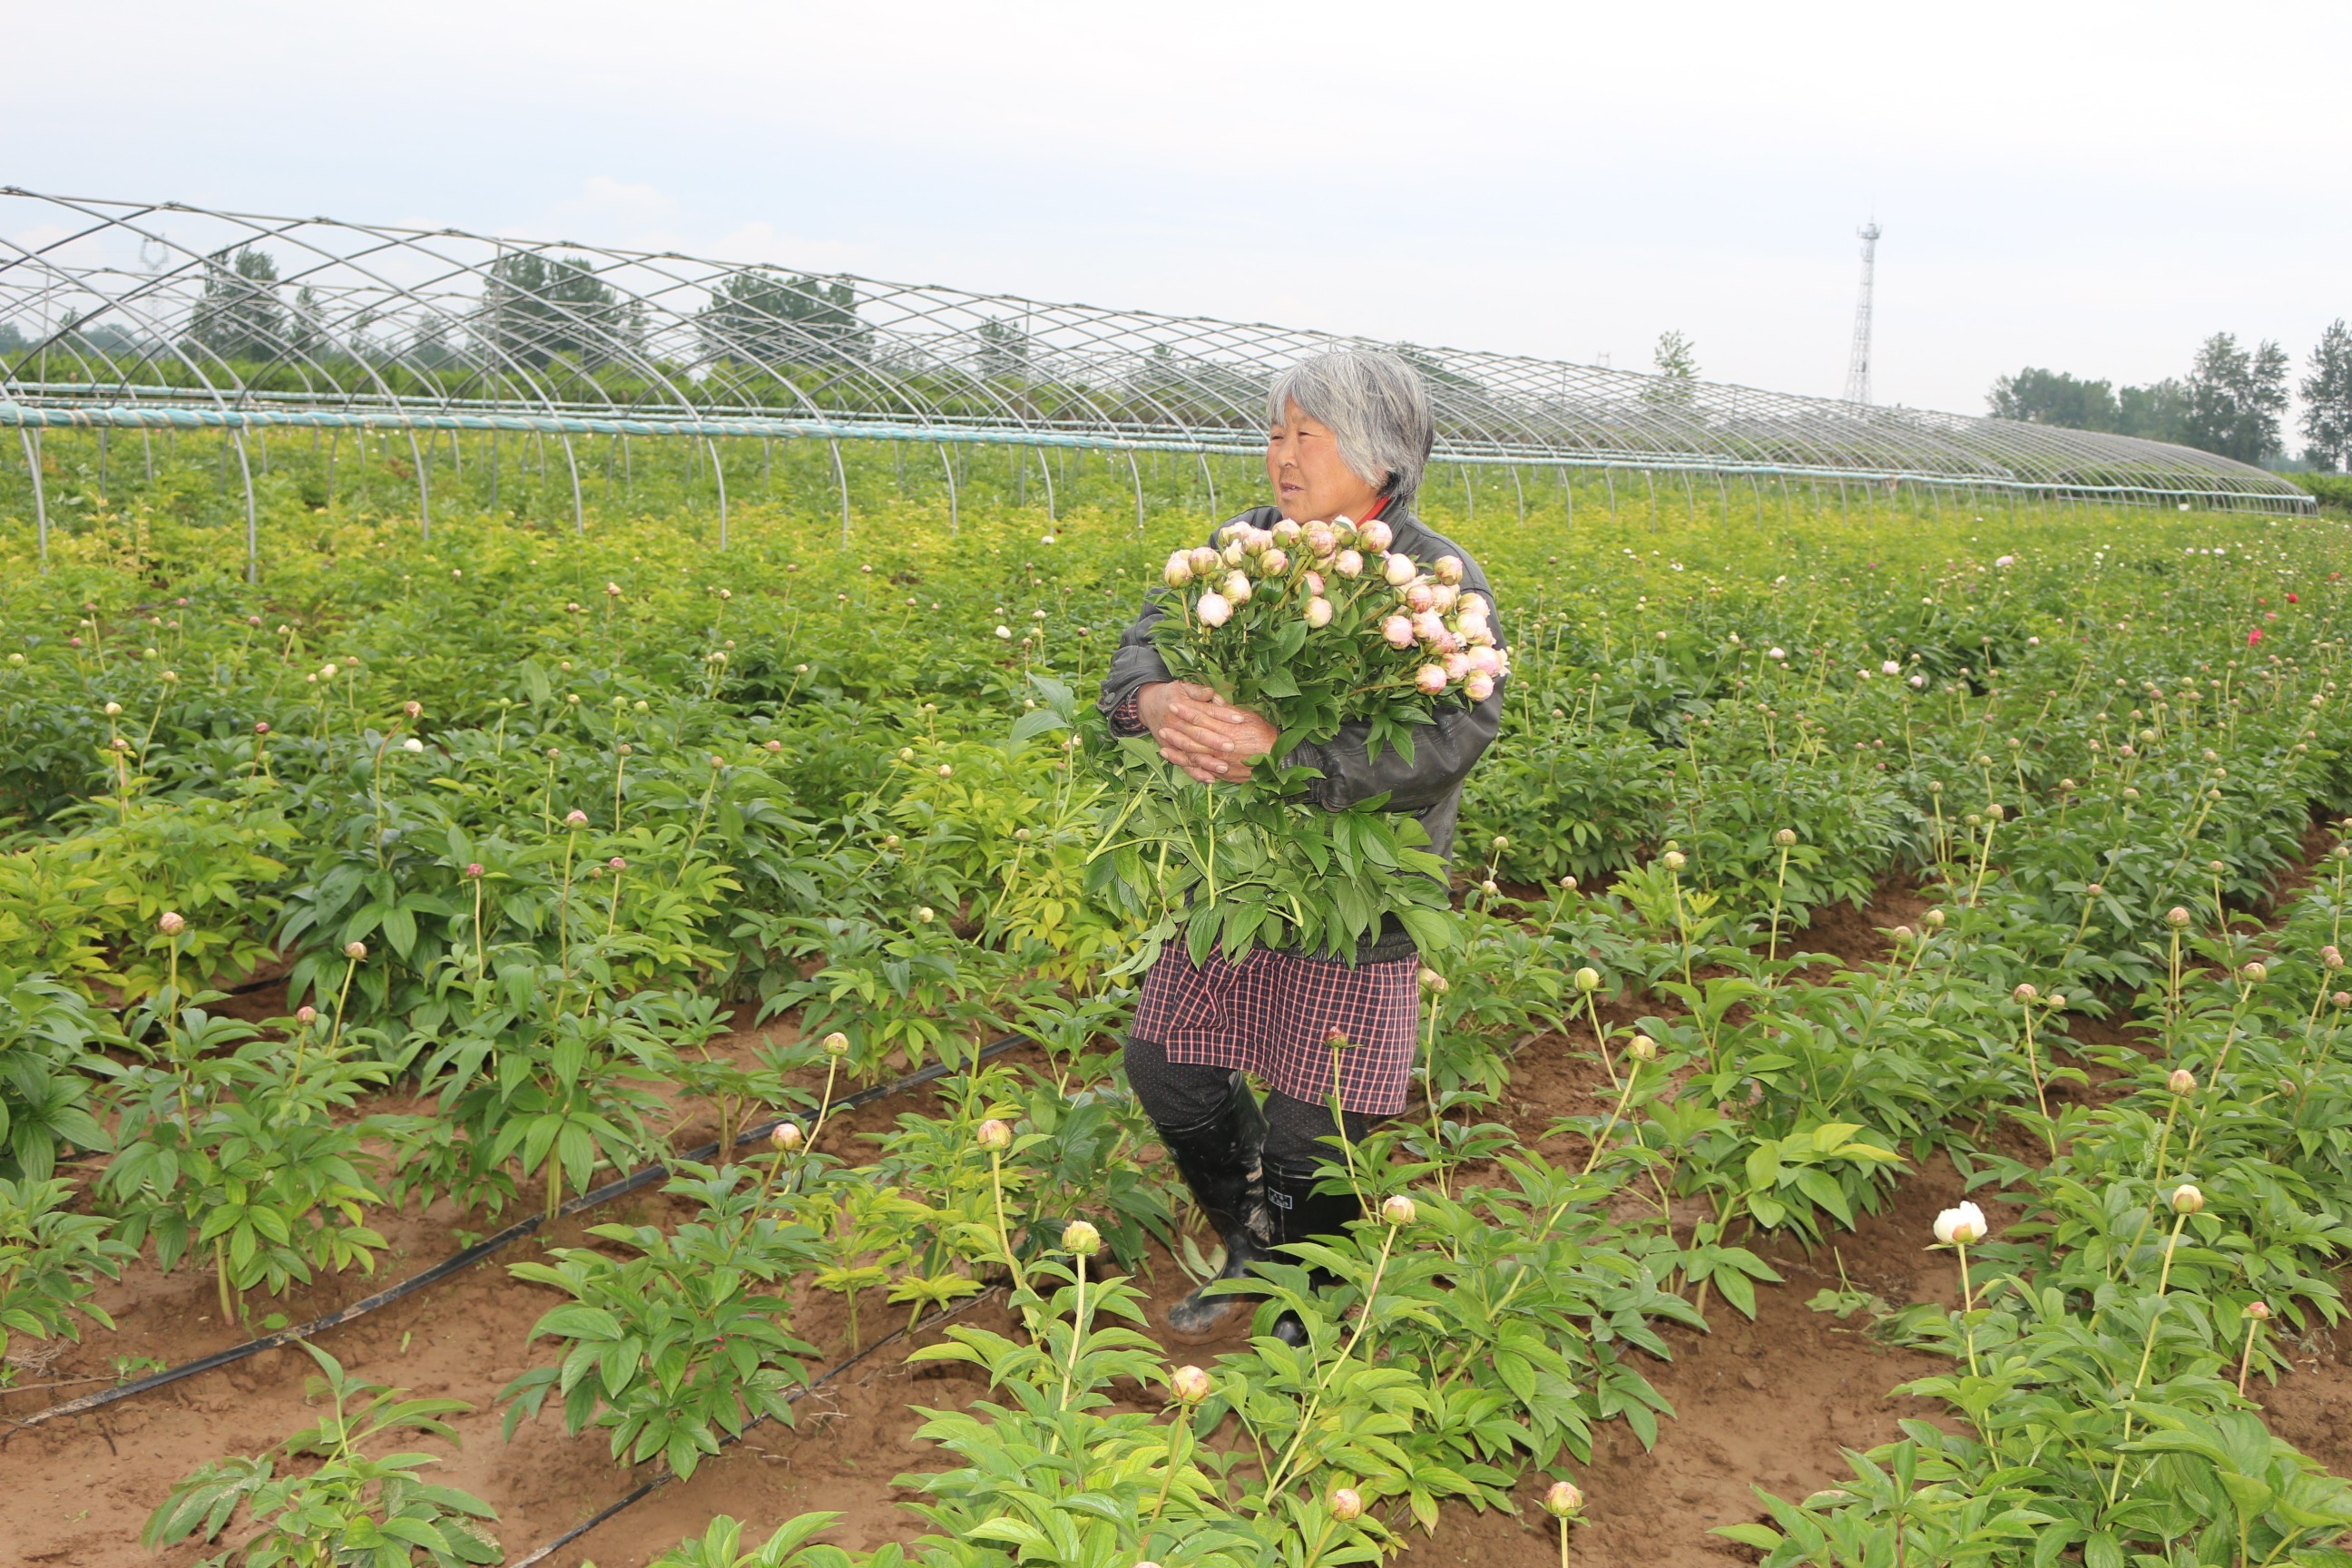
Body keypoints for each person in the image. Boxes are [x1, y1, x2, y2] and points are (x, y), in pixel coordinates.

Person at [1096, 348, 1506, 1342]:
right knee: (1167, 1065)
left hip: (1355, 889)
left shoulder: (1433, 576)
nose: (1280, 456)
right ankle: (1254, 1245)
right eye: (1275, 432)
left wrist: (1291, 756)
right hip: (1228, 875)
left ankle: (1309, 1288)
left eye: (1305, 435)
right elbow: (1141, 646)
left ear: (1378, 452)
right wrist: (1151, 699)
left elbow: (1457, 734)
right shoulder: (1240, 547)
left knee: (1313, 1114)